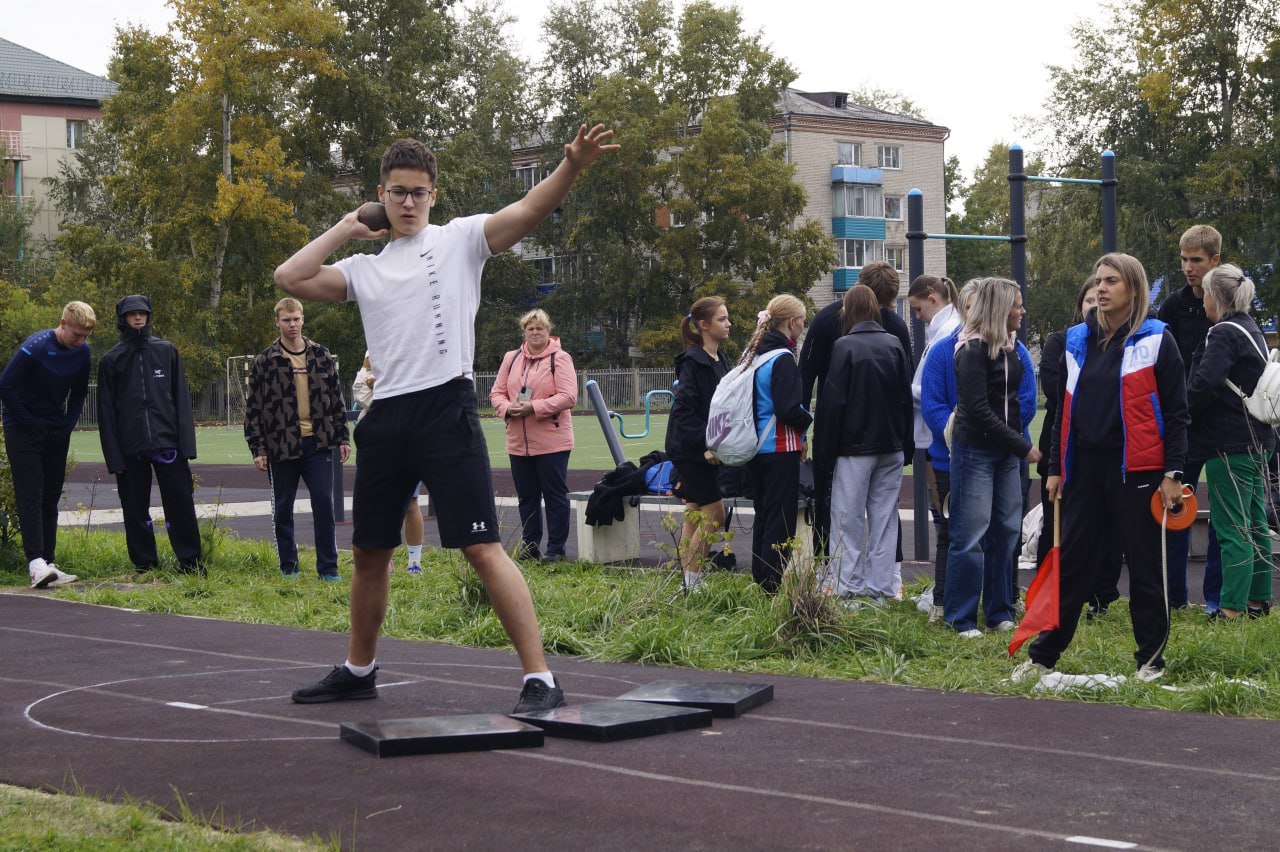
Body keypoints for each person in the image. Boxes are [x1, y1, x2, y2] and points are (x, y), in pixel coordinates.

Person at [275, 126, 618, 712]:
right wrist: (347, 226)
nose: (408, 202)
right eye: (398, 192)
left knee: (481, 548)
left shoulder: (461, 240)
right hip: (387, 416)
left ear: (434, 196)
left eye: (419, 192)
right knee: (369, 552)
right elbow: (291, 277)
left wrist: (572, 167)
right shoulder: (363, 268)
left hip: (445, 408)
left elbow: (532, 207)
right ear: (380, 195)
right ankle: (360, 669)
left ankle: (541, 679)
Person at [1018, 253, 1189, 683]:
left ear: (1134, 289)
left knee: (1146, 569)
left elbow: (1179, 413)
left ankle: (1150, 662)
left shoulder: (1157, 339)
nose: (1101, 288)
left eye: (1112, 281)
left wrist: (1174, 473)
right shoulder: (1075, 341)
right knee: (1073, 563)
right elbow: (1061, 413)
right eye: (1097, 281)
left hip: (1140, 471)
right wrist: (1056, 468)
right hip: (1085, 470)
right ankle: (1043, 656)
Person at [944, 278, 1039, 637]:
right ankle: (960, 617)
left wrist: (1015, 445)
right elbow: (979, 411)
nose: (1022, 311)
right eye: (1017, 304)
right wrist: (1022, 445)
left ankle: (999, 611)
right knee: (970, 535)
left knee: (1007, 530)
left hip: (1005, 454)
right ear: (1000, 309)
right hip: (976, 452)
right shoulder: (969, 351)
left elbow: (1015, 401)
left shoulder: (1011, 348)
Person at [800, 261, 909, 557]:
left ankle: (830, 573)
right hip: (884, 435)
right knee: (884, 509)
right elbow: (905, 389)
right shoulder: (894, 326)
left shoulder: (827, 319)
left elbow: (804, 377)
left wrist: (800, 433)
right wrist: (905, 440)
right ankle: (888, 577)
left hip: (837, 434)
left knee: (832, 504)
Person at [814, 285, 913, 603]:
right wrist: (905, 444)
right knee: (884, 518)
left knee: (847, 518)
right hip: (891, 445)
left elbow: (832, 405)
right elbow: (905, 399)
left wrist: (824, 452)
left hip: (853, 448)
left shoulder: (844, 347)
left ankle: (848, 590)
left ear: (848, 311)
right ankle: (881, 589)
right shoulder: (895, 343)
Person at [1186, 264, 1274, 620]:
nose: (1202, 300)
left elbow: (1205, 384)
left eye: (1206, 293)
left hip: (1228, 442)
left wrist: (1181, 413)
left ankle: (1231, 609)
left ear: (1217, 298)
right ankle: (1258, 599)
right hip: (1258, 439)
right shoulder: (1252, 329)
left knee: (1230, 527)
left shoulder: (1222, 333)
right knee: (1255, 521)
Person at [244, 298, 350, 581]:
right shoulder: (265, 362)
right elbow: (253, 408)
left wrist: (342, 437)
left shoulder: (321, 356)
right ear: (277, 322)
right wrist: (258, 447)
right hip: (281, 446)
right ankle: (289, 567)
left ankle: (328, 568)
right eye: (286, 320)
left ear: (303, 319)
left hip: (318, 443)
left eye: (296, 319)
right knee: (283, 509)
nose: (292, 324)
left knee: (323, 505)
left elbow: (337, 400)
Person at [96, 295, 203, 574]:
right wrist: (114, 459)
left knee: (180, 505)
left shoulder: (167, 351)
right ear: (123, 319)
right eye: (132, 314)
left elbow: (181, 400)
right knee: (135, 509)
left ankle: (190, 563)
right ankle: (145, 564)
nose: (138, 318)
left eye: (142, 313)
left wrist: (186, 446)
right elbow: (106, 414)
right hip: (131, 449)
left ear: (149, 316)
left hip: (168, 445)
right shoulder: (111, 360)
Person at [1036, 278, 1121, 618]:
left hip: (1107, 449)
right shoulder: (1061, 342)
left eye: (1098, 300)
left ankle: (1101, 596)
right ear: (1079, 306)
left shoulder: (1121, 343)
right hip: (1064, 445)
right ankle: (1051, 594)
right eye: (1088, 300)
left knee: (1108, 527)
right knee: (1058, 523)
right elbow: (1057, 391)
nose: (1094, 306)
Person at [0, 301, 95, 588]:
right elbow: (5, 385)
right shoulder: (36, 346)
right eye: (77, 334)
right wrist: (28, 421)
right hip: (22, 427)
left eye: (86, 336)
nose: (80, 341)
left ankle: (48, 563)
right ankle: (34, 563)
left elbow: (79, 393)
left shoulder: (83, 352)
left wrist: (68, 423)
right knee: (31, 492)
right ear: (63, 324)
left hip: (55, 428)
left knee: (50, 494)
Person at [1157, 224, 1222, 611]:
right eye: (1183, 259)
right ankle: (1174, 598)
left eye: (1196, 260)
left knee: (1223, 516)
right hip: (1180, 423)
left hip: (1217, 422)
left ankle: (1214, 597)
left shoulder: (1229, 302)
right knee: (1175, 505)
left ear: (1215, 260)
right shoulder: (1173, 305)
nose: (1188, 267)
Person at [491, 308, 578, 563]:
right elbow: (496, 393)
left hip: (552, 442)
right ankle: (530, 546)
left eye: (540, 328)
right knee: (527, 497)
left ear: (548, 331)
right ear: (524, 332)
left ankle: (556, 550)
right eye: (530, 328)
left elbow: (568, 396)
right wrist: (508, 408)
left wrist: (533, 407)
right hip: (518, 443)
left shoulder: (560, 358)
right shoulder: (511, 358)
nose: (535, 332)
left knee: (554, 496)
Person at [742, 293, 812, 594]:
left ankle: (761, 580)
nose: (803, 328)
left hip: (755, 447)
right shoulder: (782, 358)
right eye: (802, 322)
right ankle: (771, 584)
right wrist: (807, 421)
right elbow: (787, 408)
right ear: (792, 323)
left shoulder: (755, 353)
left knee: (765, 514)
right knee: (781, 521)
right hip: (780, 447)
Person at [919, 280, 980, 622]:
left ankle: (998, 602)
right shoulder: (943, 351)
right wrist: (964, 435)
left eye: (978, 307)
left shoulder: (1004, 349)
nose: (973, 314)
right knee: (950, 531)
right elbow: (933, 405)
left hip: (989, 456)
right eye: (967, 307)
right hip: (950, 457)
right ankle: (942, 601)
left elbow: (1020, 403)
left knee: (998, 532)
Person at [664, 296, 732, 591]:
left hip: (704, 448)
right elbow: (683, 413)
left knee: (694, 510)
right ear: (703, 325)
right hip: (691, 450)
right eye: (721, 319)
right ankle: (692, 580)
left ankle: (687, 578)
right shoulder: (693, 361)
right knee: (714, 512)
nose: (728, 324)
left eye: (727, 319)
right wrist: (706, 445)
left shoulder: (720, 359)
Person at [906, 274, 960, 611]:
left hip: (939, 437)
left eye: (917, 308)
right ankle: (944, 590)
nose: (916, 315)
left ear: (932, 298)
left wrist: (905, 389)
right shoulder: (939, 329)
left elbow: (934, 389)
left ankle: (945, 594)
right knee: (940, 512)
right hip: (932, 434)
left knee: (945, 516)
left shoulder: (948, 330)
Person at [352, 352, 424, 574]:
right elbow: (361, 395)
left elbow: (410, 396)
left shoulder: (413, 352)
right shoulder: (369, 355)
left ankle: (414, 562)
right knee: (377, 504)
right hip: (375, 440)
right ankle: (385, 560)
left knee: (411, 503)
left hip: (406, 437)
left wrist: (384, 393)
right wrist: (370, 377)